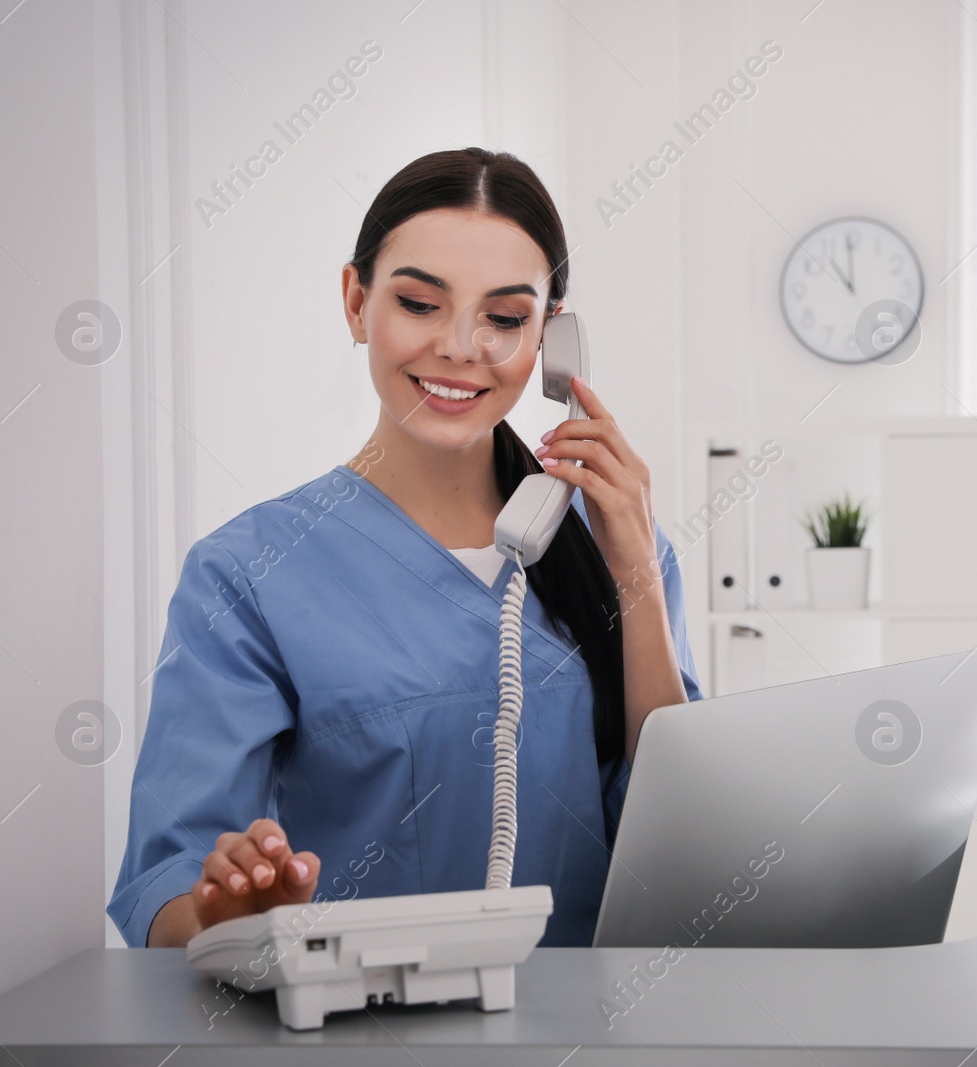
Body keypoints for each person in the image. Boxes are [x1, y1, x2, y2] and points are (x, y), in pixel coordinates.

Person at [108, 147, 703, 950]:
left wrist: (632, 567)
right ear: (356, 302)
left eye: (504, 318)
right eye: (420, 303)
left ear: (552, 338)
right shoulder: (248, 571)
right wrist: (231, 915)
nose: (460, 347)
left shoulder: (617, 542)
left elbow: (685, 833)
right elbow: (168, 882)